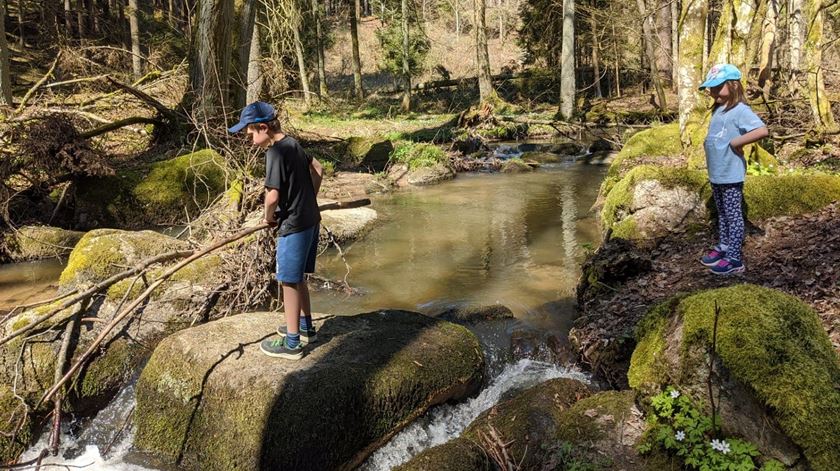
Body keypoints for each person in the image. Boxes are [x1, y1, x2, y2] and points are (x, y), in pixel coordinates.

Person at [228, 101, 324, 359]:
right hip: (311, 219)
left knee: (288, 281)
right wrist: (308, 199)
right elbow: (318, 169)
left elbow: (272, 197)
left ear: (263, 127)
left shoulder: (274, 153)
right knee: (299, 275)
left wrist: (268, 218)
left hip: (293, 226)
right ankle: (305, 327)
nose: (248, 137)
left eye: (250, 132)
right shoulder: (293, 143)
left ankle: (292, 344)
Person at [698, 64, 768, 275]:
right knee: (722, 213)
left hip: (730, 174)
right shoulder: (719, 110)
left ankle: (735, 259)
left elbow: (762, 130)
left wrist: (737, 143)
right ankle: (725, 246)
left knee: (733, 215)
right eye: (710, 88)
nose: (713, 92)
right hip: (717, 174)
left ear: (733, 85)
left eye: (718, 87)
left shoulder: (741, 111)